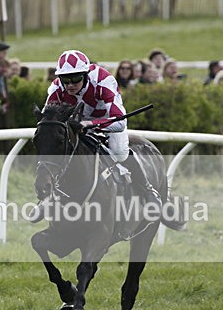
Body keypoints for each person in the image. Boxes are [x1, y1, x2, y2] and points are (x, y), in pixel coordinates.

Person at [39, 49, 162, 216]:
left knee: (119, 152)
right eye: (65, 79)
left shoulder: (103, 81)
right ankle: (47, 199)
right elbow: (49, 120)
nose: (69, 85)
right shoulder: (56, 88)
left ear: (86, 74)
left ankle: (147, 190)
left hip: (108, 119)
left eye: (75, 79)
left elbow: (120, 121)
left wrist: (91, 124)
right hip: (77, 122)